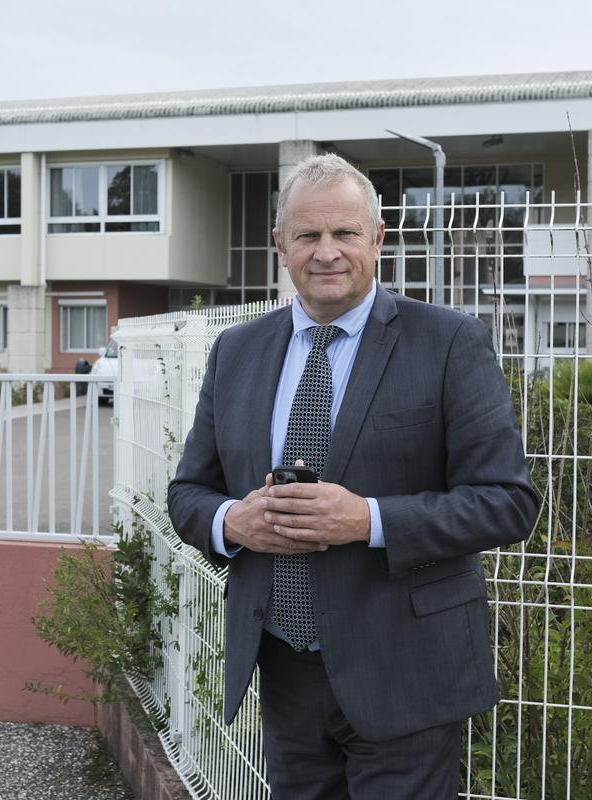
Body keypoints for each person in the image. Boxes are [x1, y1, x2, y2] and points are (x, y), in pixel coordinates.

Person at [167, 153, 540, 799]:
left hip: (406, 667)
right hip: (284, 668)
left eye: (344, 233)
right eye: (308, 236)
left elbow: (507, 502)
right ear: (280, 245)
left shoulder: (449, 342)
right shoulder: (238, 352)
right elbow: (188, 494)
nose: (326, 252)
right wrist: (235, 522)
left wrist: (365, 519)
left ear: (378, 238)